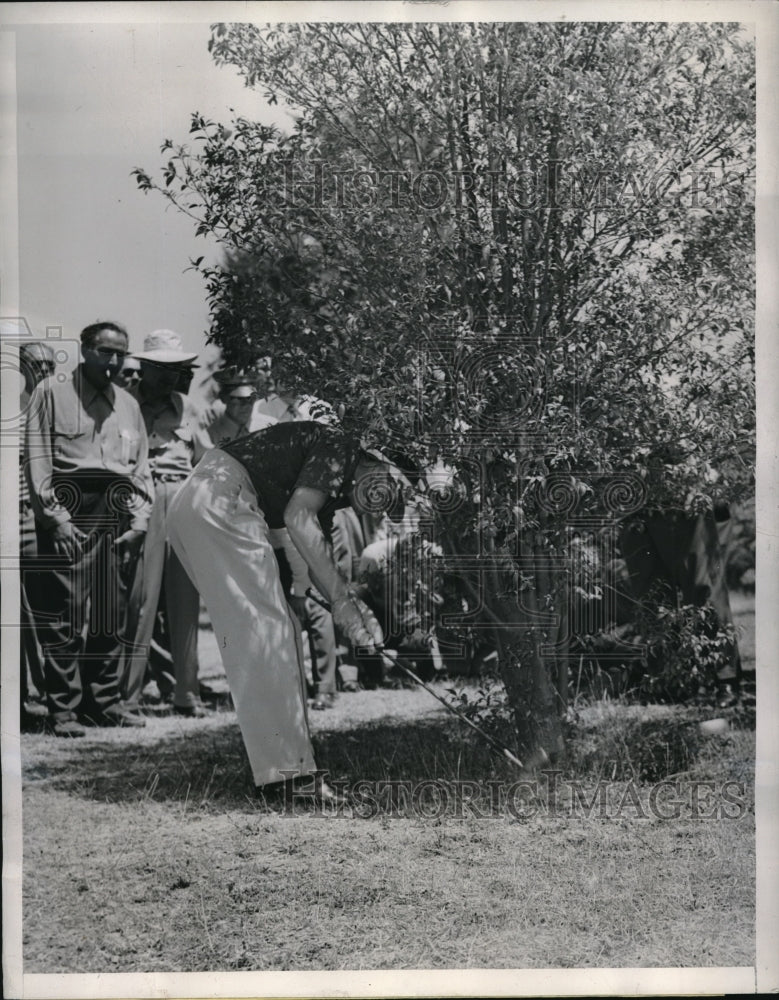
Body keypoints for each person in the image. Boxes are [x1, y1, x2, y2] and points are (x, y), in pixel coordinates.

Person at [166, 420, 398, 798]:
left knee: (269, 631)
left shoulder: (328, 488)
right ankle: (289, 778)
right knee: (271, 633)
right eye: (382, 489)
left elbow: (313, 552)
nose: (379, 503)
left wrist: (353, 613)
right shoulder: (341, 445)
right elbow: (297, 519)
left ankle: (287, 771)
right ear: (374, 462)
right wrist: (343, 603)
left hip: (198, 500)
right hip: (221, 499)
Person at [25, 321, 153, 736]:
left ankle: (105, 702)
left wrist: (139, 519)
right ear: (84, 349)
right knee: (65, 613)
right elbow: (39, 459)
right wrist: (55, 519)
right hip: (69, 508)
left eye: (120, 353)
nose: (113, 361)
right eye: (104, 351)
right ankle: (63, 709)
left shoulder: (129, 404)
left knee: (108, 613)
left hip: (116, 512)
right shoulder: (52, 393)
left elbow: (140, 467)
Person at [121, 330, 212, 716]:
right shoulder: (125, 404)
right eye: (166, 369)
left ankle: (186, 694)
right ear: (146, 367)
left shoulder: (187, 407)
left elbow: (205, 460)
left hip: (182, 498)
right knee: (140, 601)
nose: (174, 376)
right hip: (141, 499)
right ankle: (126, 697)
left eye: (178, 369)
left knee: (185, 601)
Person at [18, 341, 56, 727]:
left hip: (43, 517)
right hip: (12, 517)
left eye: (49, 364)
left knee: (50, 609)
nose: (43, 371)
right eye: (36, 364)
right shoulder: (12, 406)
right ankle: (21, 700)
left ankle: (54, 693)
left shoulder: (57, 408)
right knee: (17, 618)